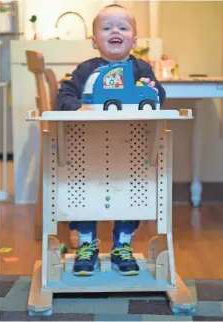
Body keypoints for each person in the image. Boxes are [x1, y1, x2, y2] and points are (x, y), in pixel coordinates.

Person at [57, 4, 166, 277]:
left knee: (129, 193)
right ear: (95, 41)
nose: (114, 31)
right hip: (88, 149)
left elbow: (159, 97)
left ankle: (123, 246)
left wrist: (153, 90)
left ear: (134, 40)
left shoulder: (141, 68)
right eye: (106, 28)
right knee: (83, 193)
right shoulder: (86, 70)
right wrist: (76, 108)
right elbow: (64, 96)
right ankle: (86, 245)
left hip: (131, 149)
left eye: (122, 27)